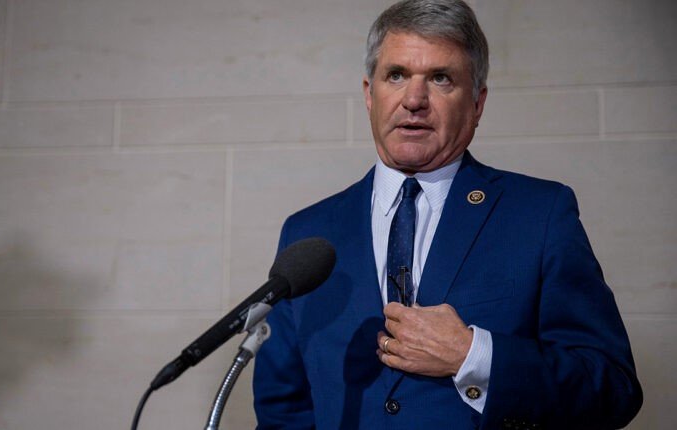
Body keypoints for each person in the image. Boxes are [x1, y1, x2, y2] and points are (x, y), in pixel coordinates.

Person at [252, 1, 643, 428]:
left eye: (441, 78)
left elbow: (613, 389)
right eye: (396, 75)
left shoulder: (540, 215)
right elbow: (282, 411)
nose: (413, 100)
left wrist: (472, 355)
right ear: (369, 93)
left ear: (477, 103)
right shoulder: (308, 233)